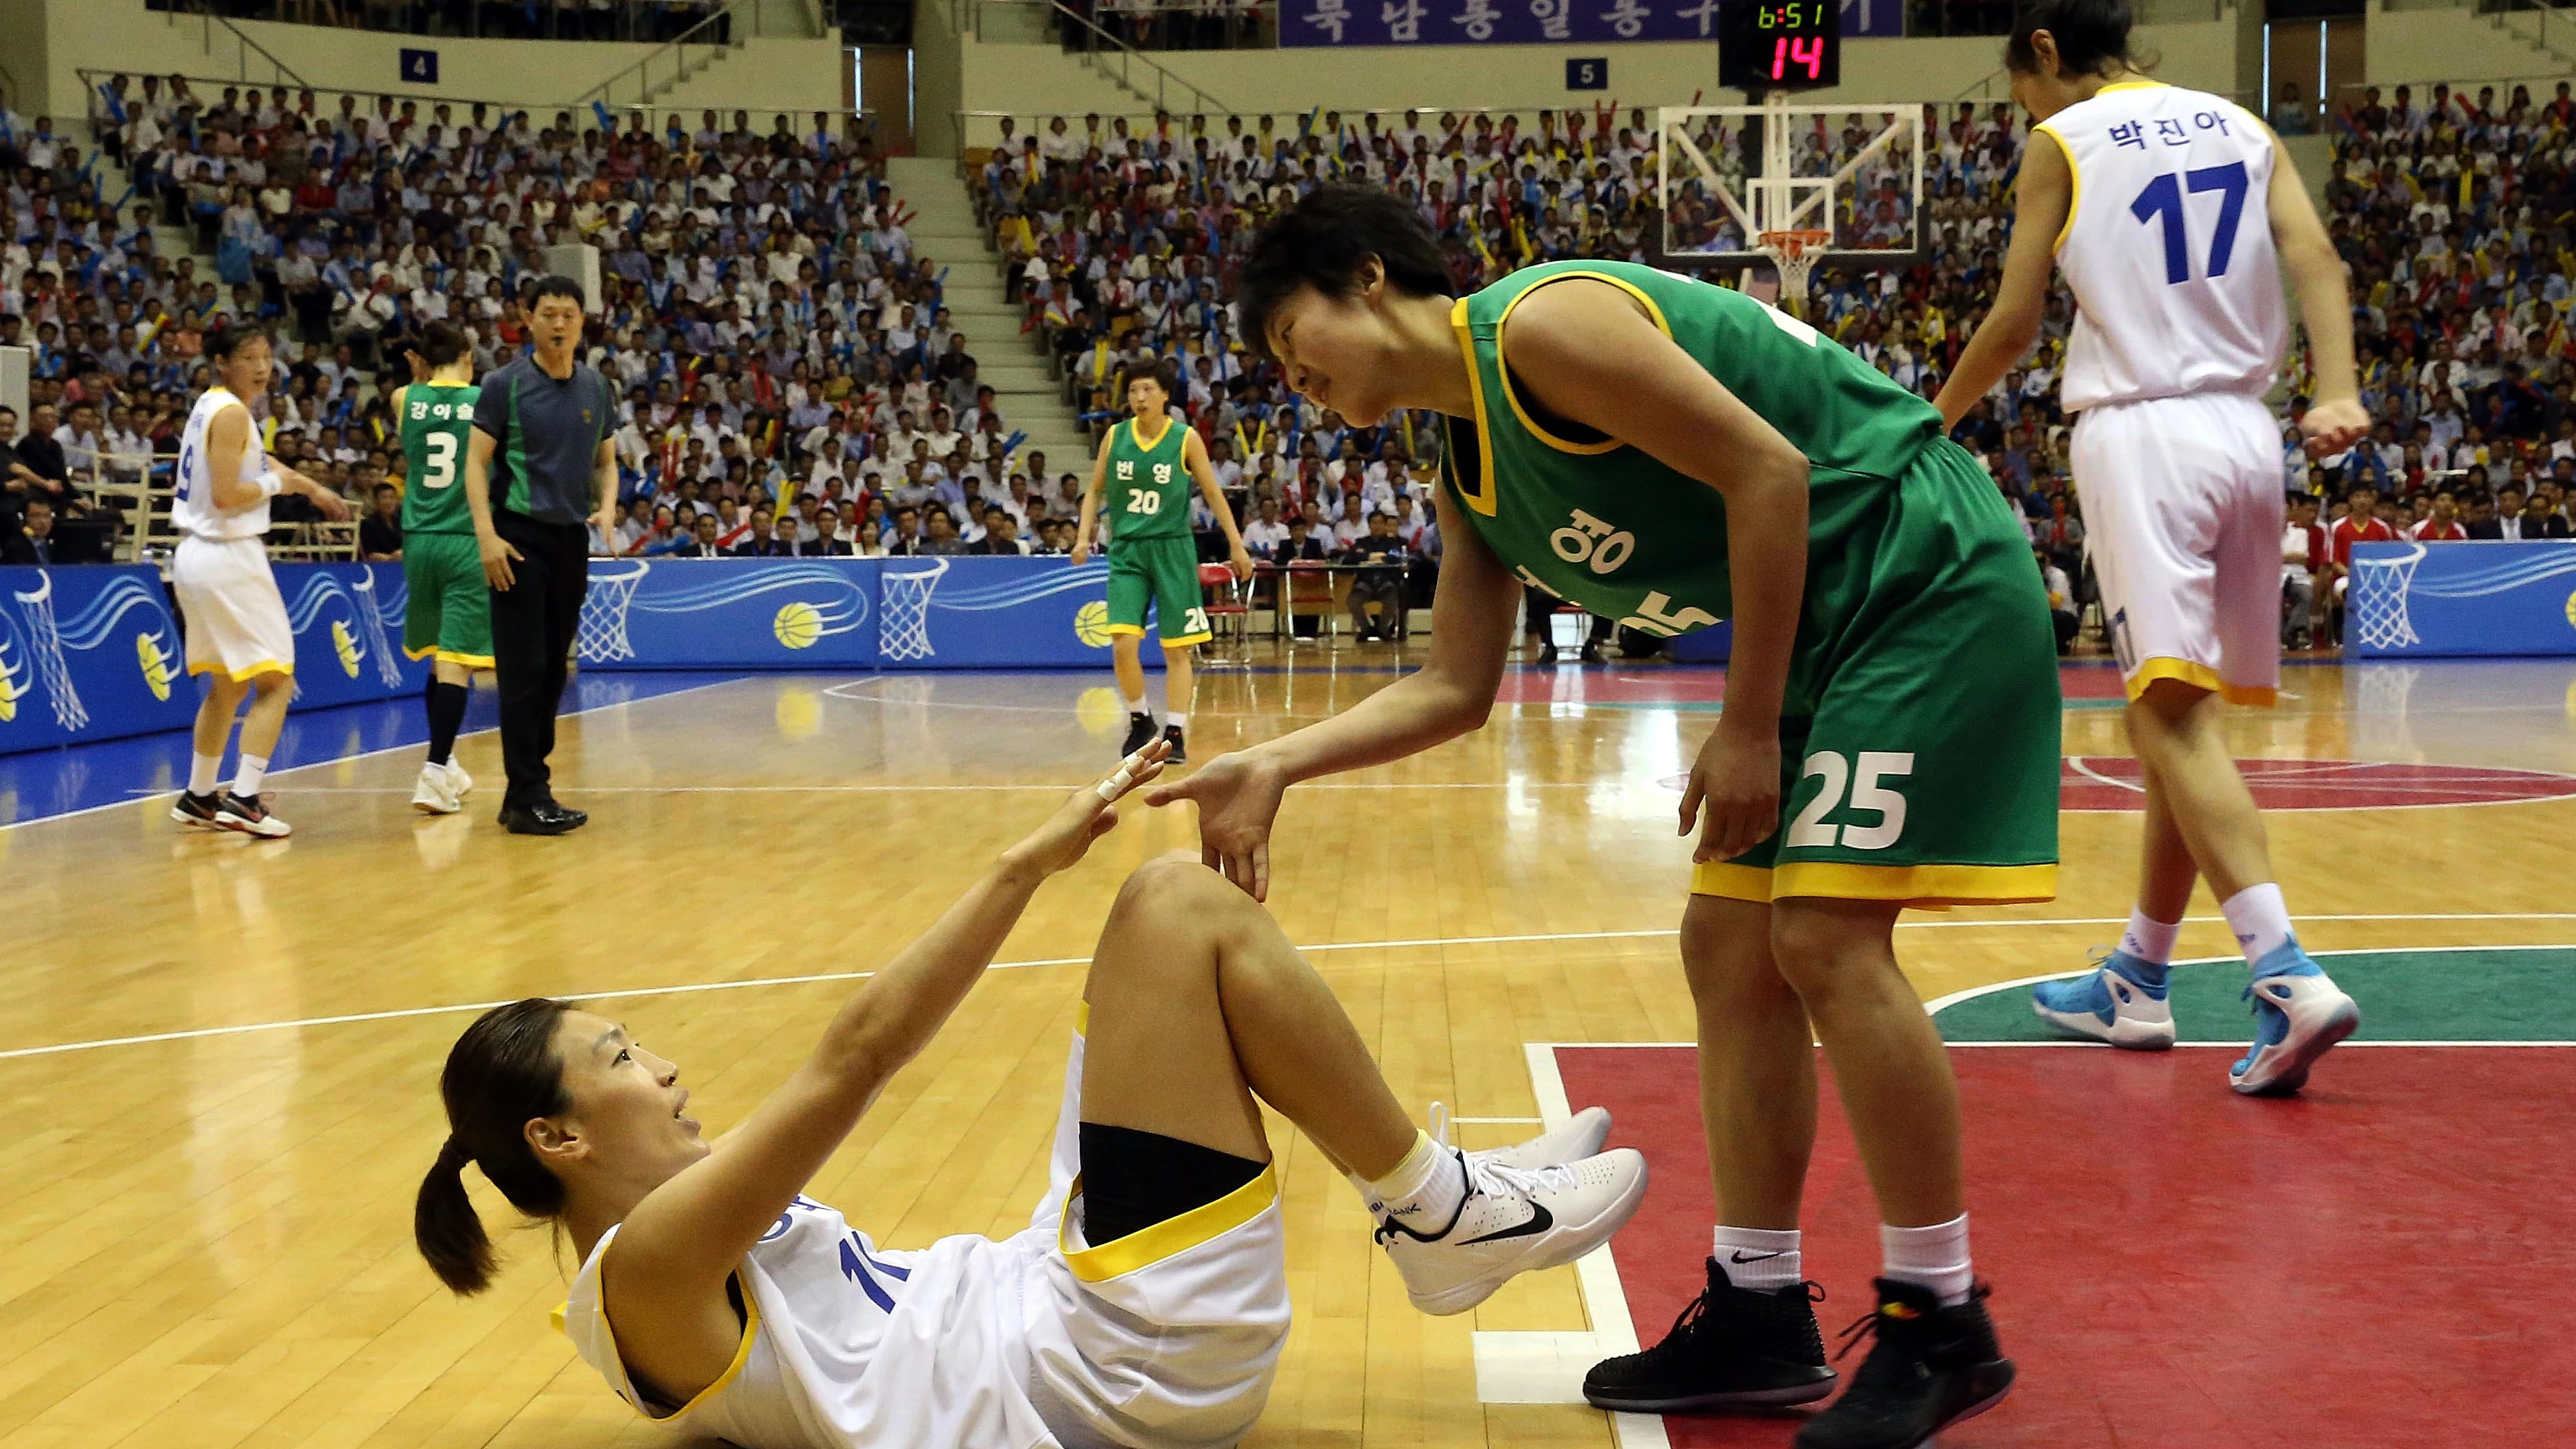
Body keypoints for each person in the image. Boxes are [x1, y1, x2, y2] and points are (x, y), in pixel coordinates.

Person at [1167, 185, 2058, 1448]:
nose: (1291, 380)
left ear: (1365, 277)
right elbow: (1455, 688)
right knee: (1730, 949)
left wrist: (1746, 723)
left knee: (1826, 940)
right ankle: (1758, 1309)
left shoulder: (1540, 326)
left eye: (1288, 338)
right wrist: (1274, 764)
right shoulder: (1464, 461)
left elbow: (1770, 468)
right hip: (1823, 627)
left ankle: (1942, 1318)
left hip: (1920, 570)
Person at [414, 745, 1647, 1446]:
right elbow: (858, 1055)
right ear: (557, 1133)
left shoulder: (663, 1263)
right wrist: (1025, 861)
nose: (665, 1066)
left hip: (1049, 1300)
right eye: (623, 1055)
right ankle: (1439, 1210)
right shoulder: (644, 1270)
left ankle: (1439, 1198)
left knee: (1160, 956)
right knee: (1171, 908)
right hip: (1114, 1366)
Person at [1937, 0, 2365, 1093]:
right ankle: (2140, 974)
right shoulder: (2238, 122)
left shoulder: (2062, 141)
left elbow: (2016, 321)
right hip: (2249, 435)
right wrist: (2337, 387)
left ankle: (2284, 970)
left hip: (2144, 437)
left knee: (2167, 717)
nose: (2022, 110)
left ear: (2042, 48)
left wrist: (1927, 418)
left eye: (2019, 83)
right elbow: (2314, 253)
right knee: (2176, 716)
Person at [167, 323, 350, 838]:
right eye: (249, 357)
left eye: (267, 356)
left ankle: (200, 795)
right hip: (228, 556)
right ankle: (245, 798)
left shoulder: (212, 405)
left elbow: (251, 461)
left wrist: (307, 485)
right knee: (277, 682)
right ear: (222, 362)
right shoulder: (230, 414)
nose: (262, 366)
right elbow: (229, 492)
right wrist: (281, 484)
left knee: (227, 683)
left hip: (196, 556)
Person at [465, 276, 619, 837]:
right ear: (528, 319)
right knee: (523, 669)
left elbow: (608, 461)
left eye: (569, 315)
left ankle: (523, 794)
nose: (560, 324)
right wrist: (485, 536)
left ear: (582, 323)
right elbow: (475, 464)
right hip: (516, 538)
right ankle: (530, 793)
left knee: (554, 670)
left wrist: (606, 508)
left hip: (569, 540)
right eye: (549, 313)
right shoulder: (503, 385)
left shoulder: (598, 389)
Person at [1071, 362, 1254, 764]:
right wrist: (1084, 537)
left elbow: (1214, 494)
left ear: (1165, 395)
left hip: (1173, 549)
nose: (1139, 397)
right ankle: (1140, 720)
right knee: (1123, 644)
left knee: (1177, 650)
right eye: (1134, 390)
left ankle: (1175, 731)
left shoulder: (1185, 439)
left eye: (1147, 390)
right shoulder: (1115, 436)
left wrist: (1237, 546)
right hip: (1127, 550)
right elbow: (1094, 492)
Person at [392, 324, 490, 817]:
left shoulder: (402, 398)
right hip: (465, 537)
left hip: (418, 541)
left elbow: (420, 396)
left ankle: (447, 760)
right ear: (468, 356)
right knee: (456, 660)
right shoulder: (486, 397)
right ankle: (432, 772)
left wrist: (420, 377)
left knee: (435, 653)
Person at [1, 497, 59, 565]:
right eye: (35, 516)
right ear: (23, 519)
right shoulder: (15, 549)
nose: (43, 522)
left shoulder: (56, 544)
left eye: (46, 516)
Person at [359, 483, 404, 561]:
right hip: (380, 566)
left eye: (392, 498)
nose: (389, 502)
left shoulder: (403, 521)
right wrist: (391, 558)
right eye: (384, 498)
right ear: (376, 502)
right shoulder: (368, 523)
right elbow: (370, 555)